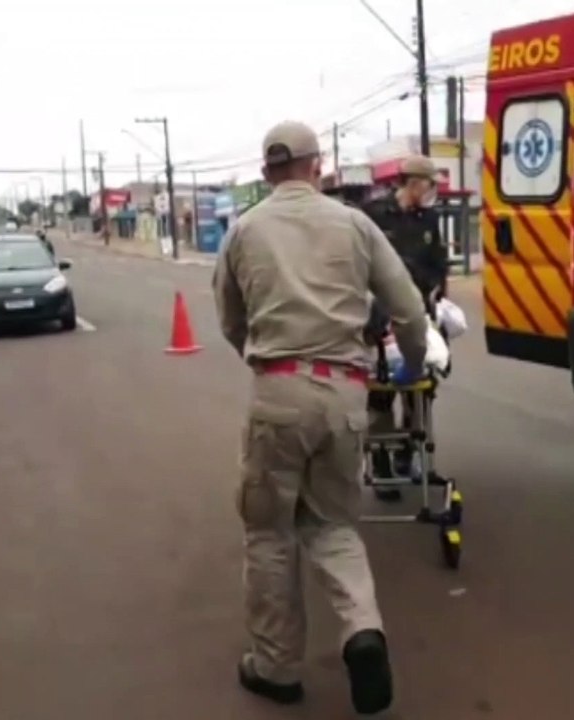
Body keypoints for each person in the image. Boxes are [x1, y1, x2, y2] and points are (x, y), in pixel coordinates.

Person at [212, 120, 428, 715]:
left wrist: (267, 362)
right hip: (345, 395)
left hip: (277, 393)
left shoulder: (243, 230)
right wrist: (410, 366)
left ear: (266, 173)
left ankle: (276, 668)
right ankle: (363, 631)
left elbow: (230, 319)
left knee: (270, 531)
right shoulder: (355, 225)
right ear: (318, 166)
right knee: (334, 525)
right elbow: (409, 311)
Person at [361, 155, 449, 495]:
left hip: (417, 315)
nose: (432, 190)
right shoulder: (374, 215)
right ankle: (382, 464)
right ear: (413, 183)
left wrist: (432, 295)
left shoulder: (429, 219)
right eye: (430, 184)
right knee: (381, 393)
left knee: (421, 391)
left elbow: (438, 264)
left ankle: (408, 456)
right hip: (379, 319)